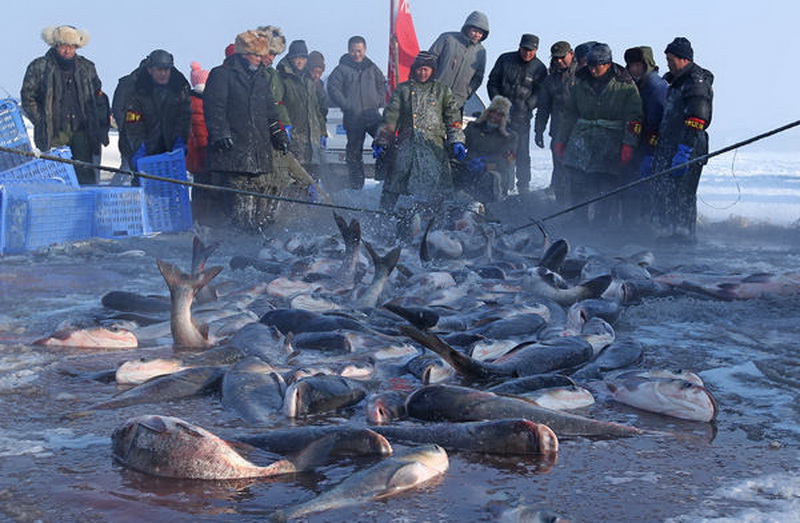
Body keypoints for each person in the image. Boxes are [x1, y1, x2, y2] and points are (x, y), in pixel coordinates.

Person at [203, 29, 290, 231]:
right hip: (233, 154)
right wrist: (221, 134)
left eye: (262, 55)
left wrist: (278, 133)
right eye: (256, 55)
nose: (260, 59)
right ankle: (235, 245)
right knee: (238, 210)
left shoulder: (261, 79)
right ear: (242, 54)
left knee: (258, 212)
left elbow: (270, 111)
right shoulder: (222, 75)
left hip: (258, 154)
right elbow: (214, 109)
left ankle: (254, 241)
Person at [554, 43, 642, 228]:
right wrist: (562, 140)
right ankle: (579, 220)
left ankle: (601, 224)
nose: (593, 70)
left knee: (605, 184)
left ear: (608, 64)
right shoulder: (581, 82)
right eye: (591, 65)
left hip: (610, 140)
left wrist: (629, 143)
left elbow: (634, 117)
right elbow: (570, 112)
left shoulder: (625, 85)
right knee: (577, 180)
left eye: (598, 66)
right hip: (583, 138)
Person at [374, 51, 465, 215]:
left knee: (439, 187)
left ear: (432, 71)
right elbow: (390, 117)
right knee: (395, 182)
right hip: (407, 144)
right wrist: (382, 141)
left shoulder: (442, 91)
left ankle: (440, 219)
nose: (422, 73)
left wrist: (457, 140)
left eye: (426, 69)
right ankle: (384, 216)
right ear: (414, 69)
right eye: (419, 69)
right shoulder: (403, 90)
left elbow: (453, 118)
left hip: (433, 147)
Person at [21, 25, 110, 184]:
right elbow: (28, 97)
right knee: (56, 177)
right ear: (55, 45)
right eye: (64, 46)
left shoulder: (88, 68)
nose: (67, 50)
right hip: (53, 133)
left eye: (72, 46)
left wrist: (100, 126)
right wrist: (41, 120)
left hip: (83, 132)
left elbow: (98, 97)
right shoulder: (39, 67)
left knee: (85, 177)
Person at [650, 37, 713, 242]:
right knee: (665, 195)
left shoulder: (695, 82)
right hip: (669, 146)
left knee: (682, 197)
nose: (667, 63)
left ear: (684, 59)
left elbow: (697, 118)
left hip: (687, 149)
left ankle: (683, 239)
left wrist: (684, 151)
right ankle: (667, 236)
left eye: (671, 59)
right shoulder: (677, 81)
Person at [486, 34, 547, 195]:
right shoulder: (505, 59)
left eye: (531, 50)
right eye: (525, 49)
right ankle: (500, 183)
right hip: (500, 115)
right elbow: (492, 82)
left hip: (522, 116)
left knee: (522, 152)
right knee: (499, 149)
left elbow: (541, 93)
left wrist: (528, 105)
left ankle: (524, 186)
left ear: (536, 50)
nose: (528, 53)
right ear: (519, 46)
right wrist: (498, 102)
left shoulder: (540, 68)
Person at [120, 49, 191, 182]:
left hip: (170, 152)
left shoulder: (179, 90)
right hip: (145, 151)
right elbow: (133, 125)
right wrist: (138, 148)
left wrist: (180, 141)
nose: (163, 73)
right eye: (159, 69)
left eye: (166, 69)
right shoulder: (136, 92)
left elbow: (184, 119)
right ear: (150, 70)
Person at [326, 36, 387, 189]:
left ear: (364, 50)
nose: (356, 54)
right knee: (354, 153)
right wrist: (346, 104)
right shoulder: (341, 69)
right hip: (353, 117)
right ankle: (356, 186)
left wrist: (378, 101)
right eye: (353, 51)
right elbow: (333, 88)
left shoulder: (372, 68)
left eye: (359, 51)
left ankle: (382, 179)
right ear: (348, 51)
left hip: (372, 115)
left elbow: (382, 85)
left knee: (386, 143)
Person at [623, 46, 668, 226]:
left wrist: (650, 152)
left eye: (638, 65)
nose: (634, 69)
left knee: (647, 192)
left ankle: (647, 227)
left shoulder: (656, 87)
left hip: (651, 148)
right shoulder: (638, 85)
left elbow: (660, 124)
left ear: (646, 64)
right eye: (631, 65)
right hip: (639, 146)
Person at [534, 41, 577, 203]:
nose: (559, 61)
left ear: (571, 54)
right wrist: (539, 130)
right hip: (558, 132)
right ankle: (560, 205)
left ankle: (579, 208)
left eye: (562, 57)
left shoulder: (583, 74)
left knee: (577, 173)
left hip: (579, 132)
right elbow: (543, 107)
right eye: (555, 58)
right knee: (559, 169)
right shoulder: (550, 80)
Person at [277, 40, 326, 179]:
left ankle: (309, 198)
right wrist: (285, 124)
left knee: (311, 176)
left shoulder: (309, 80)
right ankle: (292, 201)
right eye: (297, 58)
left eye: (303, 58)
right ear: (291, 58)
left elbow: (315, 108)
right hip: (294, 135)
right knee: (294, 176)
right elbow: (278, 103)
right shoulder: (282, 77)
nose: (300, 61)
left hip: (311, 139)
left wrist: (322, 131)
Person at [457, 95, 517, 203]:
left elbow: (508, 162)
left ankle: (487, 208)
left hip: (494, 173)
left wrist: (486, 164)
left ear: (504, 118)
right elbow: (462, 141)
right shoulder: (473, 127)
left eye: (500, 114)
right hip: (470, 167)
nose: (495, 116)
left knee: (490, 178)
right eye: (493, 112)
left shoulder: (509, 137)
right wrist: (457, 146)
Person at [428, 11, 489, 113]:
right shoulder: (447, 39)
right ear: (467, 28)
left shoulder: (481, 52)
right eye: (474, 31)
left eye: (480, 33)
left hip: (457, 103)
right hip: (434, 96)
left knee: (453, 129)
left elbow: (478, 77)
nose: (477, 35)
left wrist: (467, 93)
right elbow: (429, 61)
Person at [186, 61, 211, 220]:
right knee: (203, 187)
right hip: (201, 153)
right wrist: (206, 147)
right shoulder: (199, 101)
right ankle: (200, 219)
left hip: (196, 153)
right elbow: (200, 128)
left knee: (200, 186)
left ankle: (199, 217)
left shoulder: (192, 100)